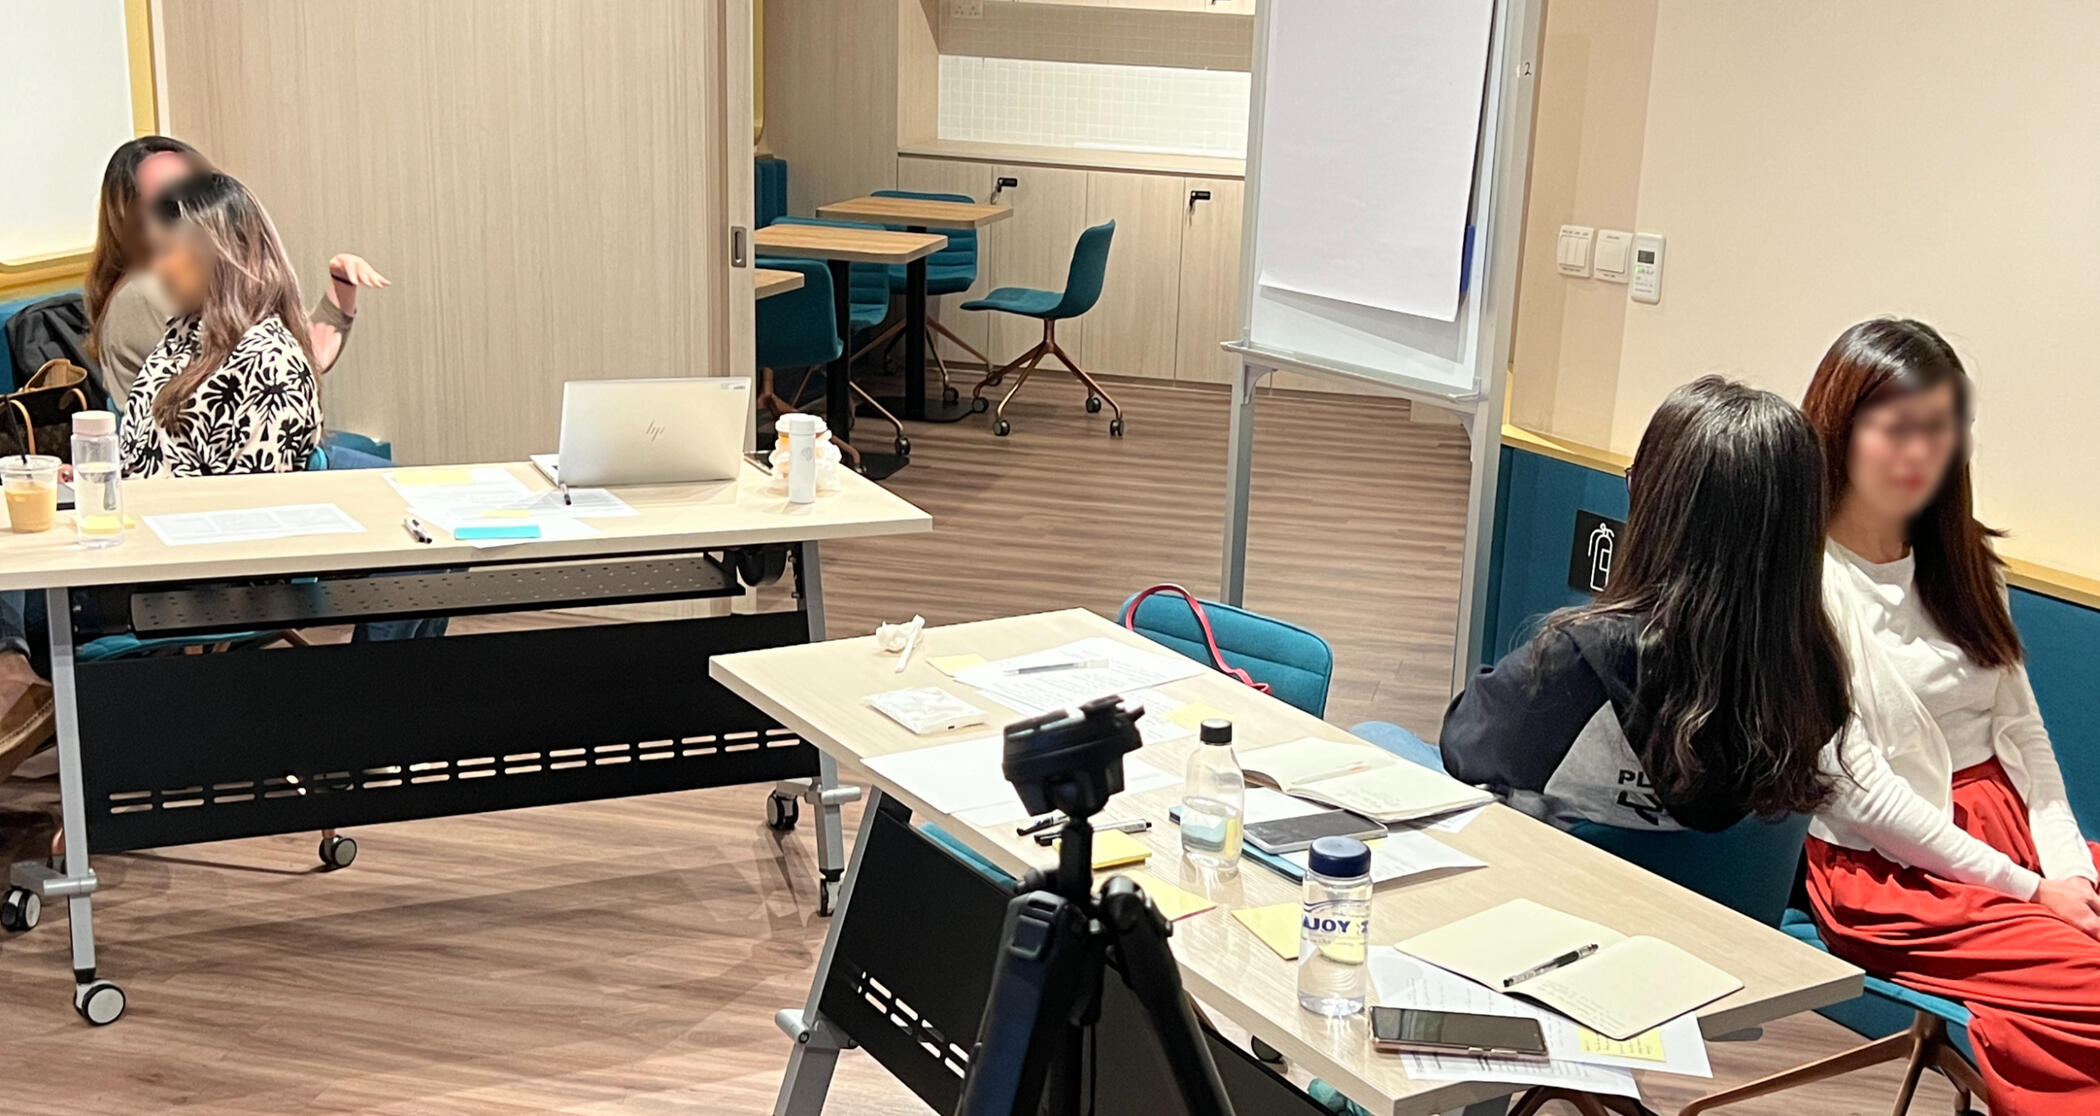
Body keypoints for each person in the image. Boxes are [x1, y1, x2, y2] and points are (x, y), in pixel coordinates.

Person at [1801, 318, 2100, 1111]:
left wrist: (2068, 870)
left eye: (1939, 429)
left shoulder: (1964, 560)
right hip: (1891, 871)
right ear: (1840, 426)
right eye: (1896, 428)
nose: (1920, 453)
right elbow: (1864, 797)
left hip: (2012, 835)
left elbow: (2025, 733)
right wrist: (2032, 893)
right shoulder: (1802, 581)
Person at [1437, 376, 1851, 833]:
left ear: (1663, 513)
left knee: (1387, 739)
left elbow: (1464, 745)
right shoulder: (1817, 675)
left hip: (1565, 876)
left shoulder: (1581, 663)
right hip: (1719, 883)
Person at [82, 135, 387, 406]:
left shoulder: (214, 288)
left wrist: (340, 291)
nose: (193, 205)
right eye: (169, 196)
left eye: (199, 187)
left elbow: (294, 360)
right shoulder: (143, 295)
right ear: (134, 219)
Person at [121, 172, 322, 479]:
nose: (158, 267)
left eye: (167, 250)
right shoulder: (180, 335)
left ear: (214, 253)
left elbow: (256, 498)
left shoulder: (270, 362)